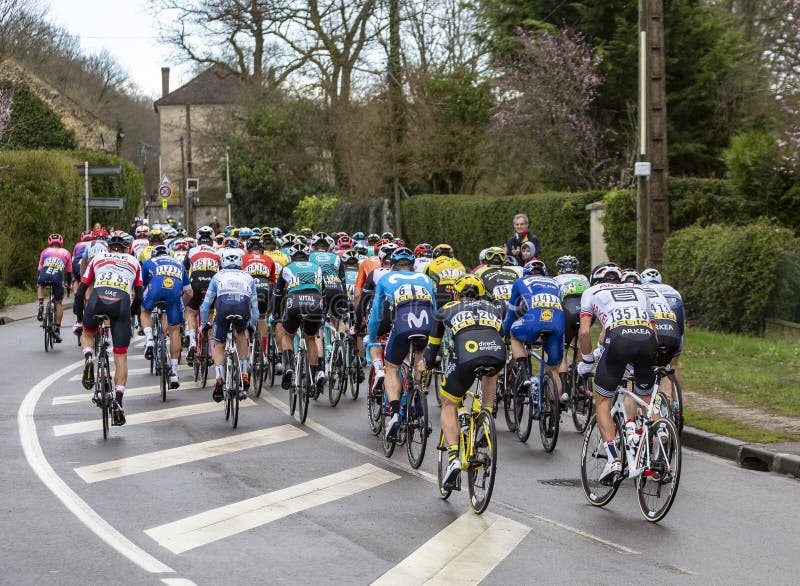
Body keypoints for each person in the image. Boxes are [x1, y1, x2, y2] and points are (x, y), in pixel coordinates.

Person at [420, 274, 506, 491]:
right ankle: (486, 415)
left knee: (448, 403)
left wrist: (427, 365)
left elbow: (431, 349)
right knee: (491, 369)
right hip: (497, 354)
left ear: (456, 294)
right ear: (481, 294)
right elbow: (500, 337)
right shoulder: (495, 308)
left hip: (466, 358)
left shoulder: (446, 309)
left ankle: (453, 460)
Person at [577, 263, 658, 484]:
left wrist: (586, 362)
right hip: (648, 340)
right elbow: (652, 329)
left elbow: (585, 332)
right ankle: (656, 446)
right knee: (645, 399)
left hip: (619, 339)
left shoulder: (592, 291)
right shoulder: (639, 291)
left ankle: (613, 460)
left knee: (602, 400)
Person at [366, 247, 436, 441]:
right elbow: (436, 309)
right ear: (412, 266)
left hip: (402, 322)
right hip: (427, 323)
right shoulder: (425, 279)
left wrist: (372, 337)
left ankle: (395, 413)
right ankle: (418, 398)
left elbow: (376, 314)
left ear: (393, 266)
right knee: (419, 358)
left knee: (391, 366)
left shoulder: (386, 279)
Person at [74, 232, 143, 426]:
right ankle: (119, 402)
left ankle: (88, 357)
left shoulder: (98, 258)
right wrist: (131, 313)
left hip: (97, 300)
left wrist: (80, 318)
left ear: (108, 247)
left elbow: (81, 290)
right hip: (121, 304)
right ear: (127, 247)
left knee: (87, 334)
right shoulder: (134, 262)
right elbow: (139, 296)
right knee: (120, 356)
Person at [502, 259, 565, 419]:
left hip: (533, 321)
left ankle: (523, 374)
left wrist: (504, 332)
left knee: (514, 334)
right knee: (553, 370)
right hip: (557, 323)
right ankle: (553, 415)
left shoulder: (520, 281)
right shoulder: (554, 282)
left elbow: (511, 314)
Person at [199, 246, 259, 402]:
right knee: (241, 334)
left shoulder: (217, 276)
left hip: (223, 309)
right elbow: (256, 311)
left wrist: (204, 324)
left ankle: (219, 378)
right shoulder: (249, 277)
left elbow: (205, 306)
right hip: (243, 307)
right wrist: (251, 326)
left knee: (219, 343)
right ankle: (244, 373)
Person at [272, 243, 326, 390]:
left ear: (291, 257)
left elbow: (277, 294)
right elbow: (324, 293)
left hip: (294, 301)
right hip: (315, 302)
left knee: (288, 335)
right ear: (308, 257)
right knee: (310, 338)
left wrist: (276, 313)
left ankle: (288, 366)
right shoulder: (317, 267)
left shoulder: (287, 267)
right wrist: (324, 312)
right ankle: (313, 378)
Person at [141, 244, 192, 389]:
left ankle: (149, 339)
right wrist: (181, 304)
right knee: (175, 330)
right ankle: (175, 373)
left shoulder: (149, 262)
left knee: (144, 311)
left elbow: (142, 286)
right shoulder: (179, 265)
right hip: (174, 293)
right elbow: (189, 293)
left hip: (155, 289)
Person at [552, 255, 590, 403]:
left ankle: (565, 391)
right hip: (584, 314)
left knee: (563, 351)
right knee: (581, 343)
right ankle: (581, 381)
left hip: (566, 313)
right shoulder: (584, 278)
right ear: (576, 270)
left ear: (558, 271)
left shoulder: (556, 280)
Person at [184, 226, 222, 365]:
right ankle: (211, 351)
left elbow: (184, 270)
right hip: (212, 283)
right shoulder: (217, 252)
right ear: (212, 241)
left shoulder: (192, 251)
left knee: (191, 311)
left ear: (198, 241)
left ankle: (192, 341)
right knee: (210, 313)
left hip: (196, 282)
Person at [36, 233, 73, 342]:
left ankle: (41, 305)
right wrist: (69, 285)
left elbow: (39, 269)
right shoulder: (66, 252)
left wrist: (38, 282)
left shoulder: (45, 251)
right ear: (61, 243)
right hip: (57, 277)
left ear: (50, 242)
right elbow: (69, 272)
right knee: (58, 303)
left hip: (44, 273)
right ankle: (57, 329)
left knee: (41, 284)